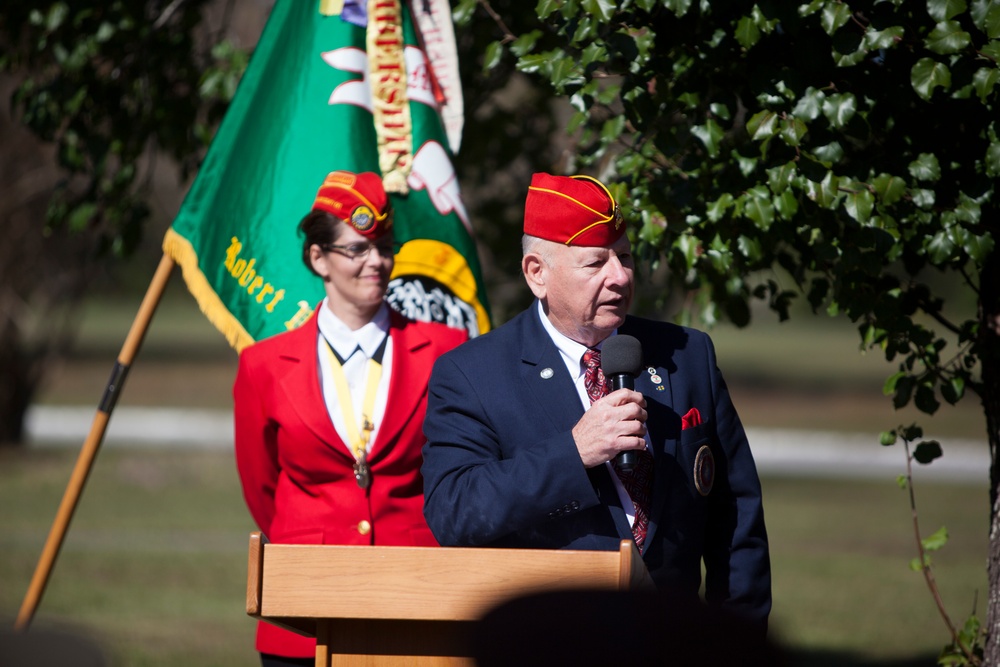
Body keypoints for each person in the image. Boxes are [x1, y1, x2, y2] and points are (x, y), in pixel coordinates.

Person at [421, 172, 771, 631]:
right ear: (537, 273)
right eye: (595, 264)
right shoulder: (472, 374)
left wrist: (737, 644)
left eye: (624, 257)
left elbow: (735, 517)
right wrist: (574, 453)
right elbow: (455, 512)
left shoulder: (688, 355)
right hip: (548, 641)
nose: (620, 276)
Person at [233, 170, 469, 666]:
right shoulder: (263, 365)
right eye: (357, 249)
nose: (377, 262)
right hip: (303, 606)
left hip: (414, 595)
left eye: (384, 247)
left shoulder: (446, 351)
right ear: (318, 258)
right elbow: (262, 487)